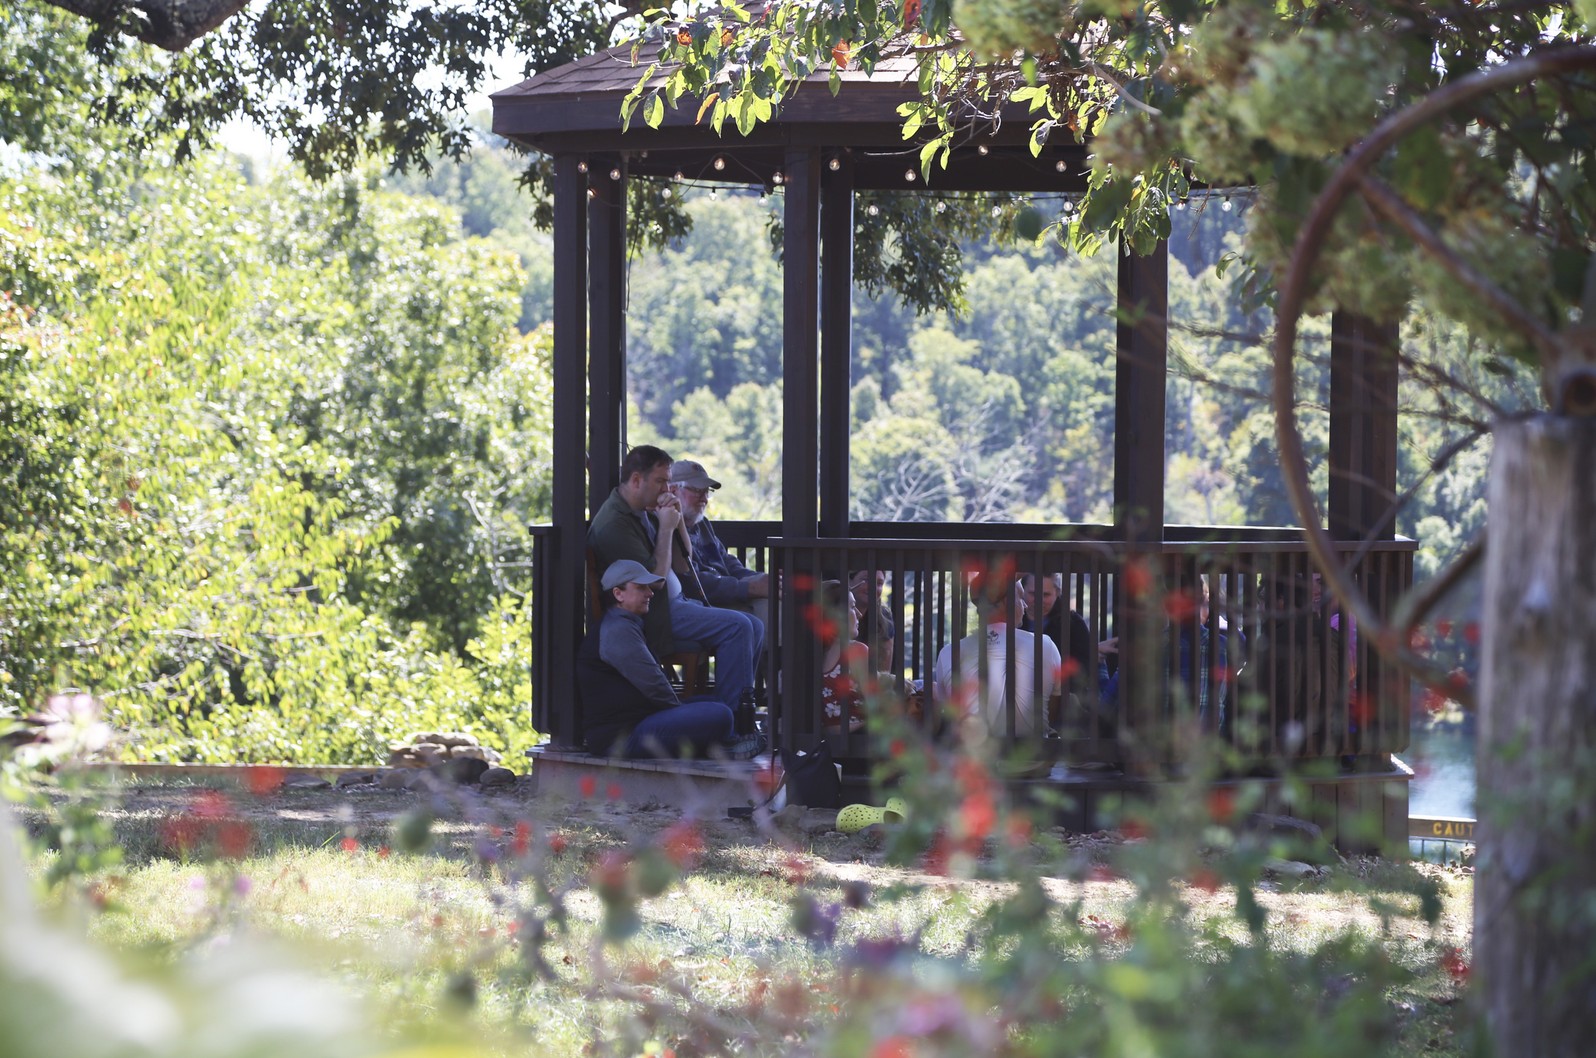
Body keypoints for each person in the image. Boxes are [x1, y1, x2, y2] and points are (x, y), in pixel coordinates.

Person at [587, 446, 763, 710]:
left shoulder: (644, 509)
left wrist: (677, 518)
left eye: (669, 482)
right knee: (739, 626)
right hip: (652, 613)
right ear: (637, 480)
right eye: (661, 481)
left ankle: (735, 710)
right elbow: (655, 581)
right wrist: (666, 528)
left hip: (675, 603)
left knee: (755, 625)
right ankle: (733, 719)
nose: (666, 489)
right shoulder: (615, 523)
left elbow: (683, 564)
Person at [577, 560, 761, 759]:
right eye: (641, 588)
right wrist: (686, 718)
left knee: (713, 702)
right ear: (618, 594)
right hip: (620, 739)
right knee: (719, 715)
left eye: (648, 587)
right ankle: (726, 743)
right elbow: (654, 685)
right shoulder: (617, 630)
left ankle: (722, 742)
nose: (650, 593)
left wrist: (688, 716)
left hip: (641, 719)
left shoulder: (625, 623)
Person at [933, 576, 1060, 739]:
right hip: (1032, 753)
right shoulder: (1044, 645)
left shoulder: (949, 653)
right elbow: (1054, 712)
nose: (1026, 605)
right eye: (1021, 598)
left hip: (975, 753)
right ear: (1008, 602)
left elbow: (950, 714)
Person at [668, 459, 772, 640]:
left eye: (707, 492)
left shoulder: (702, 524)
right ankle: (777, 657)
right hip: (706, 602)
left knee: (783, 591)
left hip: (729, 593)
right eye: (697, 491)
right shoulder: (666, 527)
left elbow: (729, 563)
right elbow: (692, 582)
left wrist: (762, 580)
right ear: (673, 490)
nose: (704, 499)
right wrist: (749, 588)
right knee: (769, 607)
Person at [1019, 572, 1094, 684]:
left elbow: (1084, 668)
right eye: (1033, 593)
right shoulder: (1009, 620)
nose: (1039, 600)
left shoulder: (1074, 624)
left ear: (1057, 593)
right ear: (1022, 590)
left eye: (1045, 595)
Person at [818, 580, 869, 734]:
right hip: (858, 736)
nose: (859, 614)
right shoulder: (856, 650)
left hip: (824, 737)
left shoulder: (810, 651)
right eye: (852, 607)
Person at [849, 569, 895, 672]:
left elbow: (884, 673)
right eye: (866, 580)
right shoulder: (834, 614)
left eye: (879, 583)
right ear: (849, 581)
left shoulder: (884, 618)